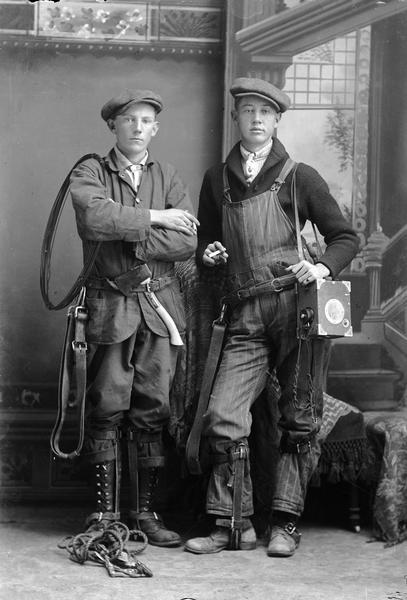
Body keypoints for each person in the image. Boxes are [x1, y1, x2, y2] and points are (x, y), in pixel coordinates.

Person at [184, 77, 359, 557]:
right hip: (245, 312)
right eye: (247, 111)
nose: (256, 119)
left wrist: (321, 266)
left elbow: (345, 237)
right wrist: (209, 252)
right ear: (236, 118)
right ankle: (231, 523)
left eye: (265, 111)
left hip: (296, 308)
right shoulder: (216, 180)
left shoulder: (300, 175)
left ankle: (284, 523)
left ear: (277, 120)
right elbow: (205, 241)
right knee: (223, 415)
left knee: (299, 418)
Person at [70, 88, 199, 547]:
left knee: (153, 408)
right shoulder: (90, 171)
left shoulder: (168, 174)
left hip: (160, 309)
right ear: (113, 126)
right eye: (130, 120)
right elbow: (92, 219)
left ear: (155, 129)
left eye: (147, 121)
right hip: (110, 306)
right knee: (106, 405)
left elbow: (187, 242)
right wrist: (158, 217)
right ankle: (104, 515)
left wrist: (130, 236)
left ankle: (145, 513)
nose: (138, 128)